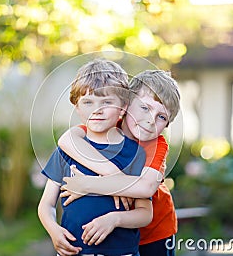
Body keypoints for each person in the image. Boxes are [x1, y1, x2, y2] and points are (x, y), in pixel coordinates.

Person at [58, 70, 181, 256]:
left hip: (155, 232)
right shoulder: (106, 125)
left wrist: (88, 185)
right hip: (118, 237)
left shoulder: (157, 145)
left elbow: (145, 188)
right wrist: (116, 178)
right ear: (126, 104)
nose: (150, 121)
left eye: (161, 117)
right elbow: (67, 140)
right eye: (145, 108)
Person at [38, 59, 153, 256]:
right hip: (75, 251)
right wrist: (54, 230)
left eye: (107, 102)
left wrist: (114, 219)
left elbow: (145, 213)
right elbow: (46, 204)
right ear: (77, 106)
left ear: (123, 107)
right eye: (88, 102)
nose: (96, 110)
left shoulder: (135, 154)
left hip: (121, 252)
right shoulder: (66, 152)